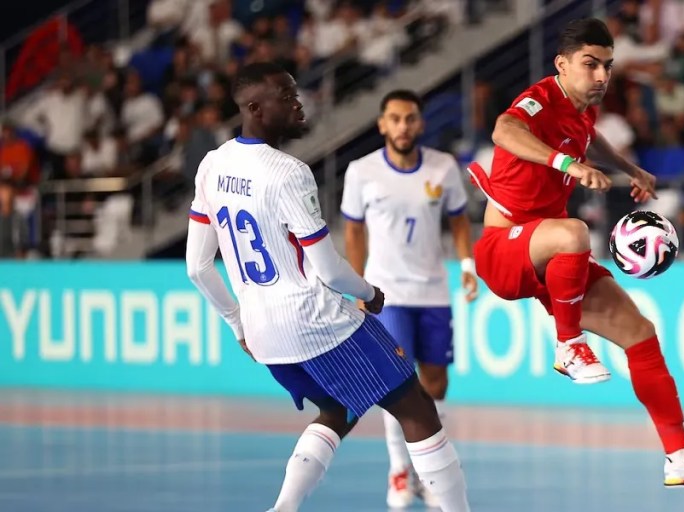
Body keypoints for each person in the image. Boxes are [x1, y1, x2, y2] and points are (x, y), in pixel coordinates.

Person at [466, 17, 684, 488]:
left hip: (548, 256)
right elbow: (502, 131)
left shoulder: (583, 108)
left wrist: (630, 168)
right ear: (561, 64)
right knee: (575, 232)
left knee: (640, 333)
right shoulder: (538, 100)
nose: (601, 76)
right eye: (590, 65)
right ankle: (569, 345)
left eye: (608, 67)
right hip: (504, 249)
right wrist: (567, 164)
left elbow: (589, 137)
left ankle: (681, 458)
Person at [184, 62, 471, 512]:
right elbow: (329, 270)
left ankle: (282, 508)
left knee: (338, 409)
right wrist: (370, 294)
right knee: (417, 408)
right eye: (287, 96)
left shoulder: (212, 165)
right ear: (256, 107)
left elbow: (197, 268)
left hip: (263, 332)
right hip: (315, 320)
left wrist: (238, 325)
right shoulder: (288, 173)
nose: (300, 104)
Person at [341, 89, 478, 509]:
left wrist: (468, 265)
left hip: (433, 290)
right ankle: (400, 470)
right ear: (382, 124)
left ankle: (430, 472)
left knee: (436, 383)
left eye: (411, 118)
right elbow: (353, 232)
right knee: (397, 382)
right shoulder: (361, 172)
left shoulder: (443, 167)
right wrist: (360, 286)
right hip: (388, 294)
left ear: (420, 123)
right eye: (395, 119)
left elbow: (458, 221)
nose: (403, 126)